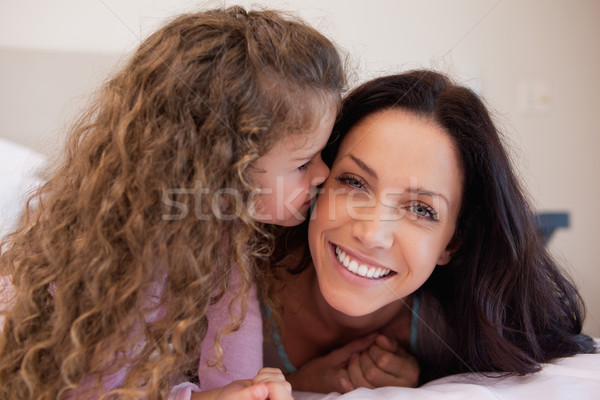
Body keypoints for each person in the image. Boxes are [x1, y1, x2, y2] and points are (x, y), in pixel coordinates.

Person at [0, 6, 345, 399]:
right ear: (224, 168)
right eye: (303, 163)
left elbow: (232, 347)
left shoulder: (225, 231)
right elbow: (87, 391)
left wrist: (251, 390)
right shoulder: (128, 251)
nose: (324, 174)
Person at [263, 70, 596, 394]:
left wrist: (420, 377)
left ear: (451, 243)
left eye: (421, 209)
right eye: (353, 182)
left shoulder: (460, 330)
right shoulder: (235, 281)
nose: (372, 234)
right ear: (318, 179)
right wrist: (300, 385)